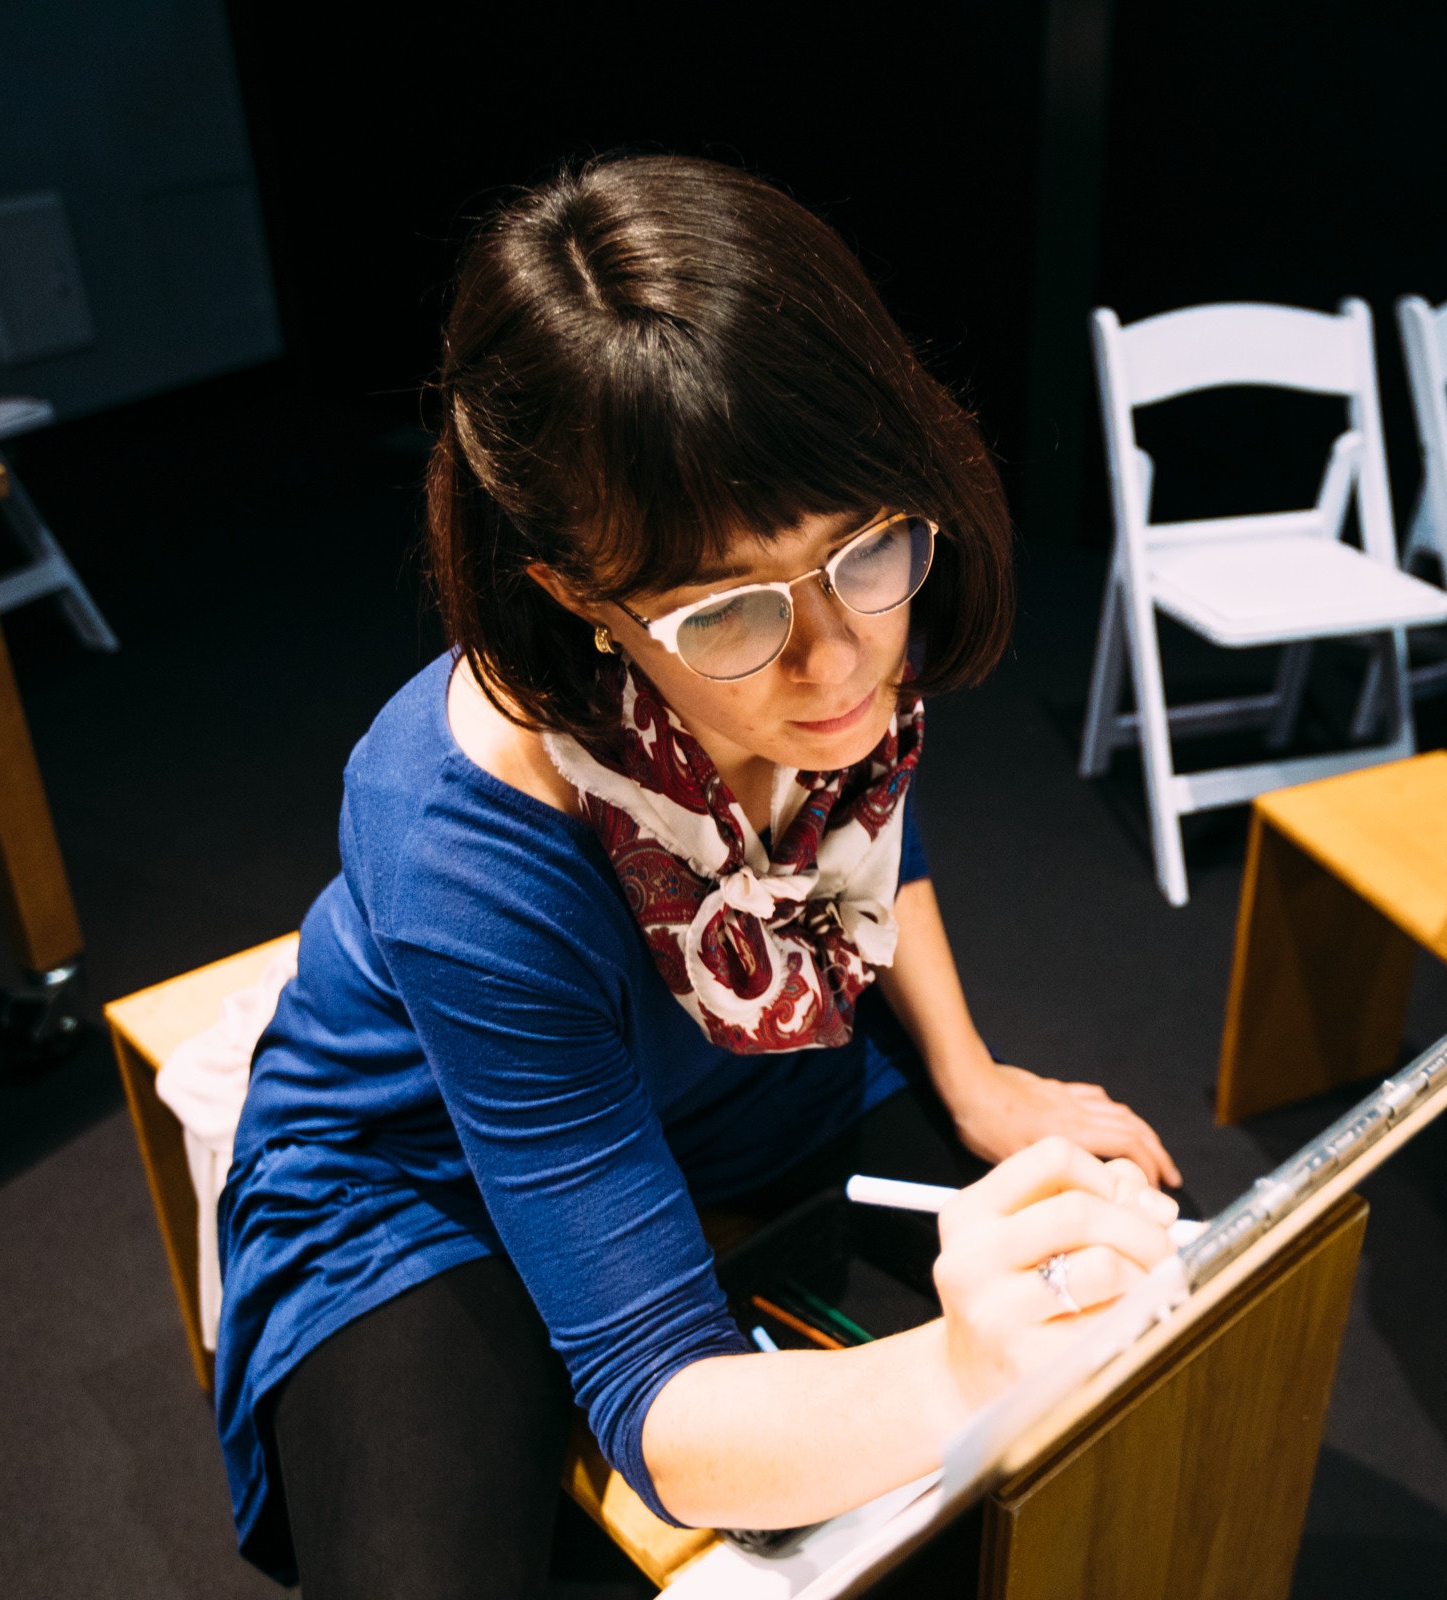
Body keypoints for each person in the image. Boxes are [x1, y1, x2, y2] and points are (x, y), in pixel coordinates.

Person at [214, 155, 1186, 1599]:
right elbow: (664, 1411)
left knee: (1103, 1416)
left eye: (866, 549)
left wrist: (972, 1076)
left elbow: (865, 842)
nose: (841, 658)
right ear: (571, 592)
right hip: (424, 1172)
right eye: (728, 609)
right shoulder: (457, 834)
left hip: (758, 1059)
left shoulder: (829, 616)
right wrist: (955, 1371)